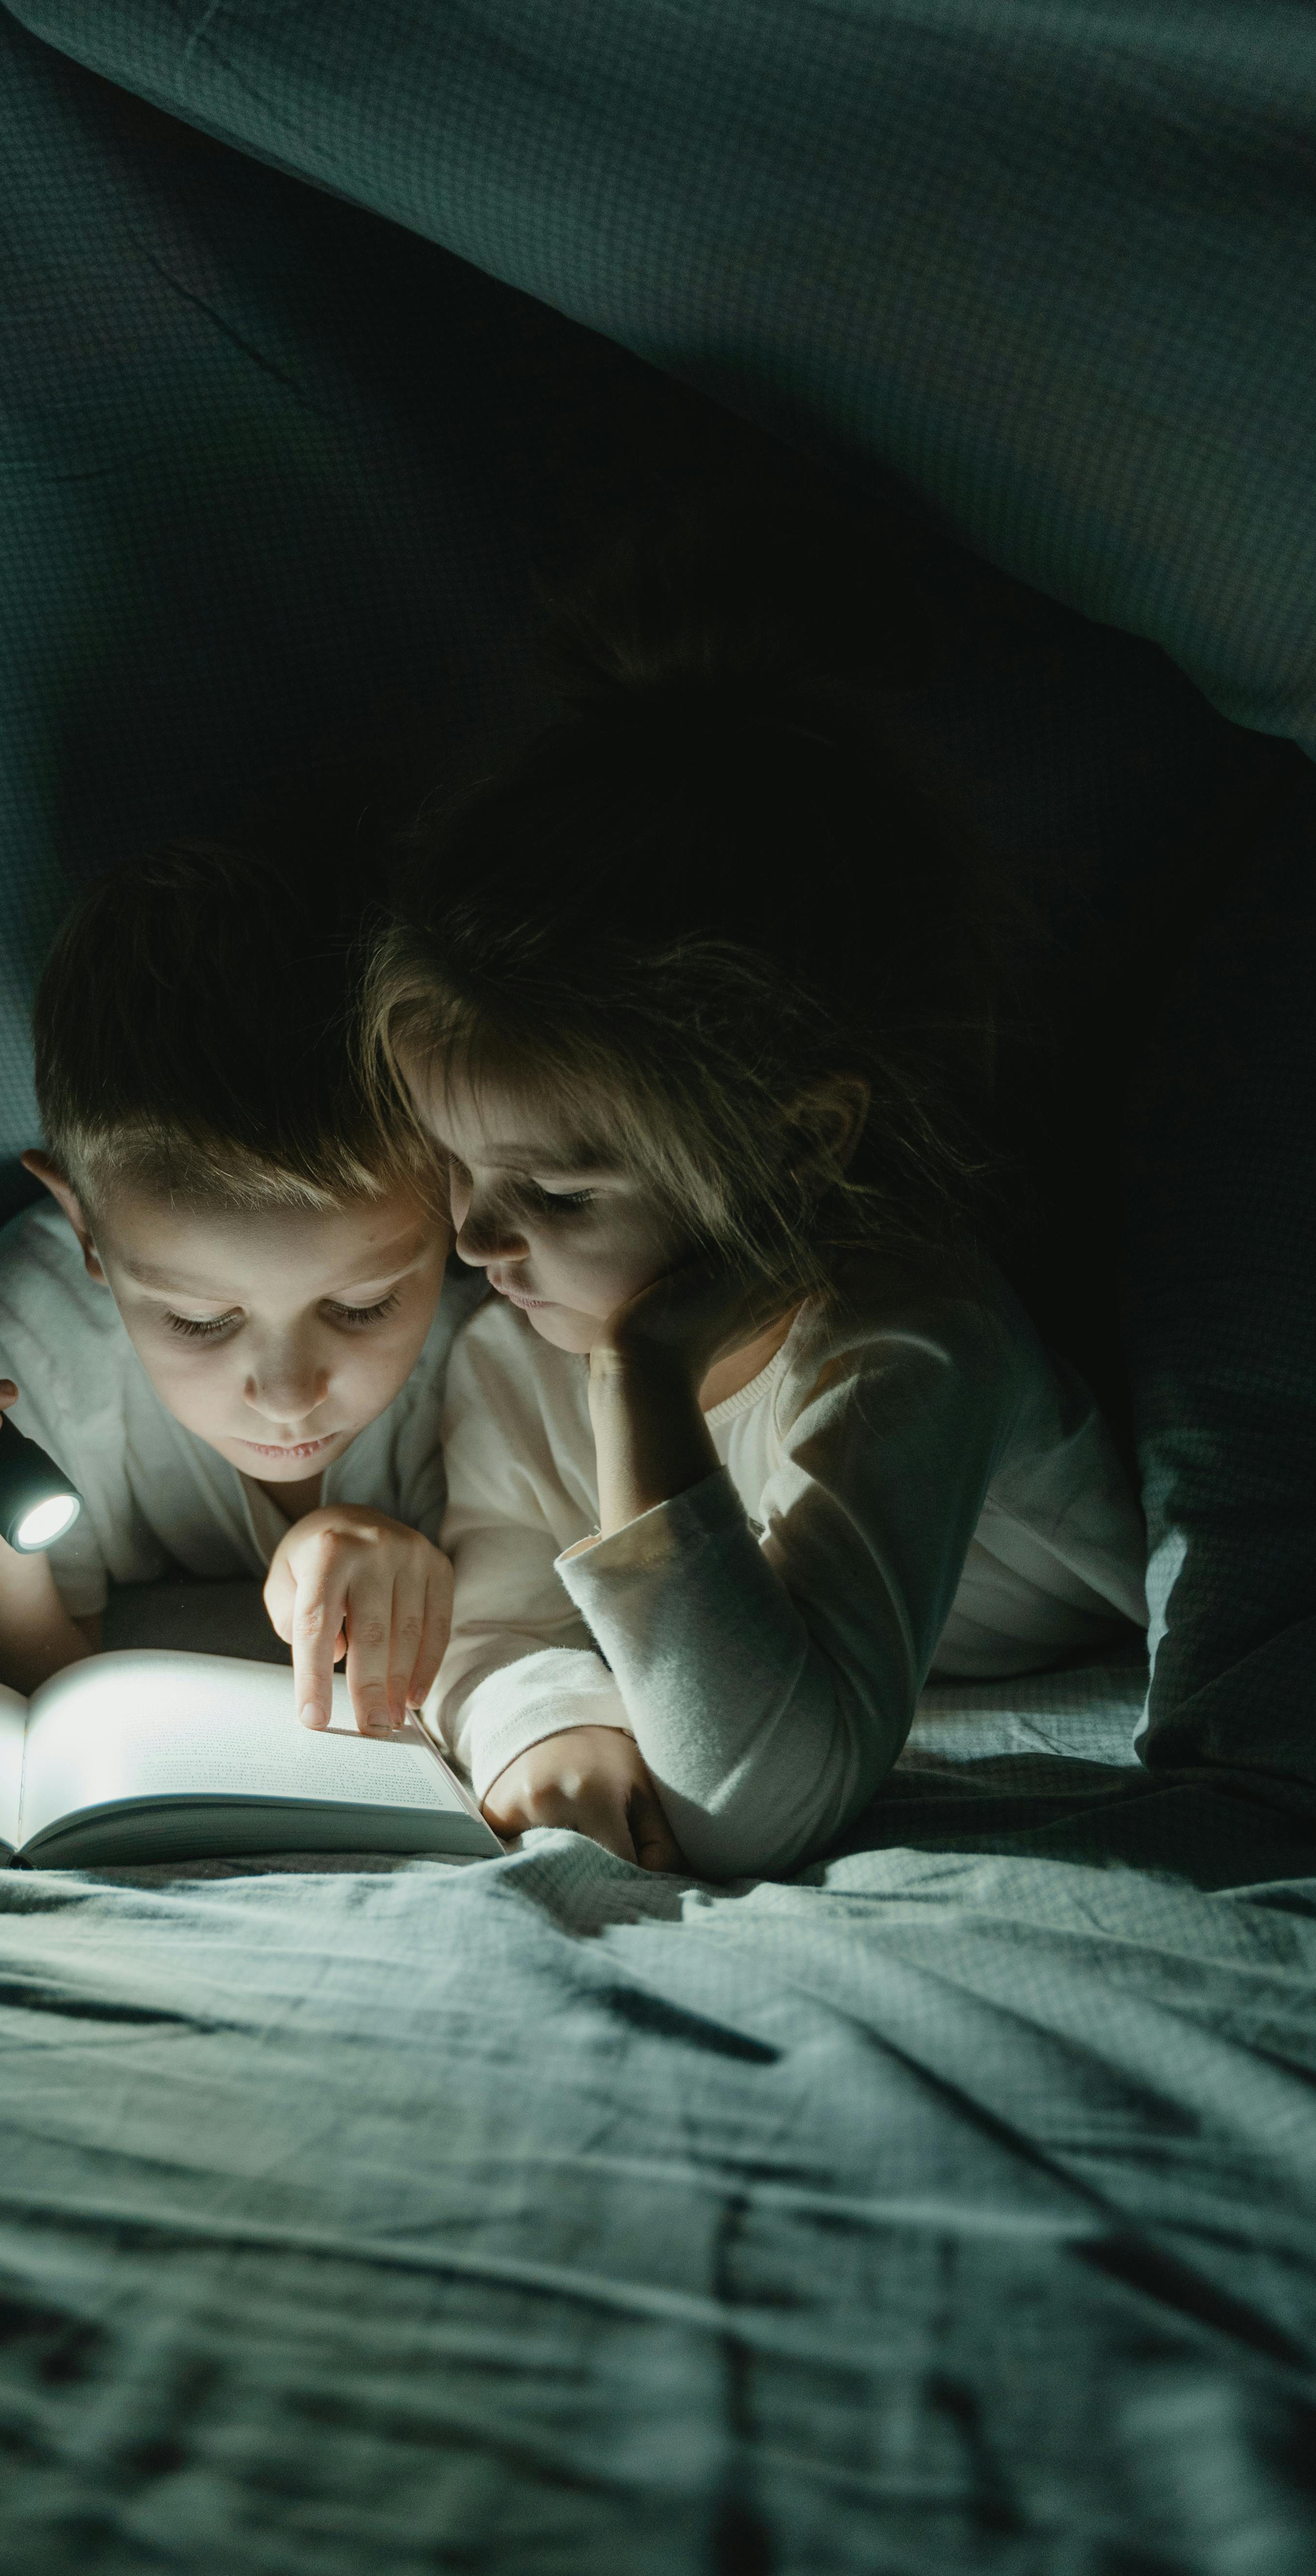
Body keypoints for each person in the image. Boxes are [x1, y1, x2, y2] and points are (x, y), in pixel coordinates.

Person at [364, 492, 1148, 1876]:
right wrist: (541, 1724)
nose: (475, 1238)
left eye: (555, 1193)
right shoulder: (512, 1346)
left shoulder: (911, 1338)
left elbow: (756, 1799)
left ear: (799, 1145)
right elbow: (491, 1619)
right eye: (460, 1169)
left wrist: (644, 1379)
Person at [0, 837, 483, 1728]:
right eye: (199, 1320)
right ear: (85, 1232)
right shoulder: (33, 1343)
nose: (289, 1396)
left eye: (361, 1305)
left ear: (459, 1198)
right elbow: (20, 1696)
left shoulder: (492, 1327)